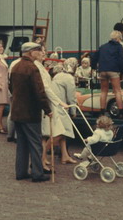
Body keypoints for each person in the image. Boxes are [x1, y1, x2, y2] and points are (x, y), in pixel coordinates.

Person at [9, 42, 52, 182]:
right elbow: (39, 92)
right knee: (35, 143)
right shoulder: (32, 68)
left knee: (21, 144)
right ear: (30, 52)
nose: (40, 53)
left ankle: (20, 172)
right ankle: (37, 173)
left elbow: (11, 88)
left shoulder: (15, 67)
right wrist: (48, 109)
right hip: (30, 112)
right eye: (37, 50)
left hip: (17, 111)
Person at [34, 45, 74, 172]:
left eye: (44, 51)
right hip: (47, 104)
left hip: (49, 103)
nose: (44, 53)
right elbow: (46, 88)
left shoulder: (42, 67)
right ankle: (41, 158)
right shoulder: (38, 67)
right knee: (57, 132)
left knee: (50, 133)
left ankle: (44, 158)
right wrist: (59, 102)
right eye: (42, 51)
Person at [90, 30, 123, 118]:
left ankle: (102, 111)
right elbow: (121, 60)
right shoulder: (119, 47)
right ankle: (121, 111)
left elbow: (95, 57)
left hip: (102, 70)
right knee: (117, 91)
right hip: (113, 71)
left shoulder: (103, 46)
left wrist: (93, 67)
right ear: (118, 38)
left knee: (103, 91)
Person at [52, 57, 79, 165]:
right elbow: (71, 97)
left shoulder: (58, 75)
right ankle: (42, 154)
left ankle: (65, 156)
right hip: (61, 107)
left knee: (62, 133)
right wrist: (73, 111)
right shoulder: (69, 78)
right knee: (61, 132)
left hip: (55, 105)